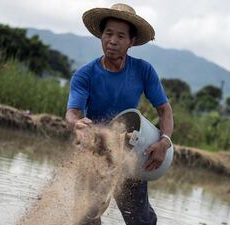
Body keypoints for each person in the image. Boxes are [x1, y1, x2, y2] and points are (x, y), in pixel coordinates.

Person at [65, 3, 174, 225]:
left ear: (131, 41)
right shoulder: (85, 75)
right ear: (101, 36)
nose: (113, 40)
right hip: (94, 151)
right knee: (85, 218)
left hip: (131, 149)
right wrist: (76, 124)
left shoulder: (143, 70)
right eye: (108, 34)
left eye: (121, 36)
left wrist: (164, 142)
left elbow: (165, 111)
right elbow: (72, 112)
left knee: (140, 220)